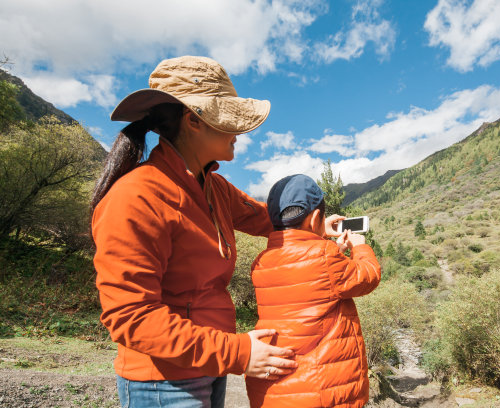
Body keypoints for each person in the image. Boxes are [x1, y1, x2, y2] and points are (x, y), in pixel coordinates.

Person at [90, 56, 300, 407]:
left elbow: (267, 219)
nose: (238, 134)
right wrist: (238, 352)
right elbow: (132, 318)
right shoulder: (136, 196)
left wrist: (317, 224)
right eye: (230, 121)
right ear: (194, 121)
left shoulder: (215, 187)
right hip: (163, 383)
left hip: (208, 364)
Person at [245, 174, 382, 408]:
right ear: (317, 217)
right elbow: (368, 277)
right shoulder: (326, 257)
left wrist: (323, 245)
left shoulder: (261, 261)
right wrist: (360, 248)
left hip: (274, 390)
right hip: (320, 391)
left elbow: (308, 279)